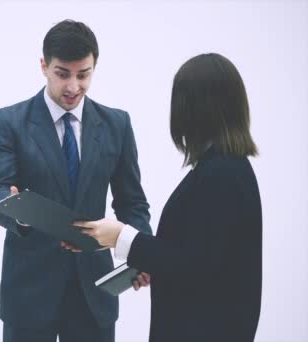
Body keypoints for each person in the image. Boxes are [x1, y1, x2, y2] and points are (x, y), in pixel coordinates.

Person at [69, 53, 262, 341]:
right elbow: (204, 259)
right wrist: (147, 258)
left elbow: (195, 268)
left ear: (194, 107)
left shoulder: (222, 174)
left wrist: (122, 237)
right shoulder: (227, 168)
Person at [0, 19, 151, 342]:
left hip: (94, 295)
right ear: (43, 66)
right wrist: (14, 208)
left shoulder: (117, 124)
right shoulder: (8, 122)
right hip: (29, 294)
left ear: (94, 67)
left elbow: (132, 203)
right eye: (62, 74)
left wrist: (142, 253)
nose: (73, 87)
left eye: (83, 74)